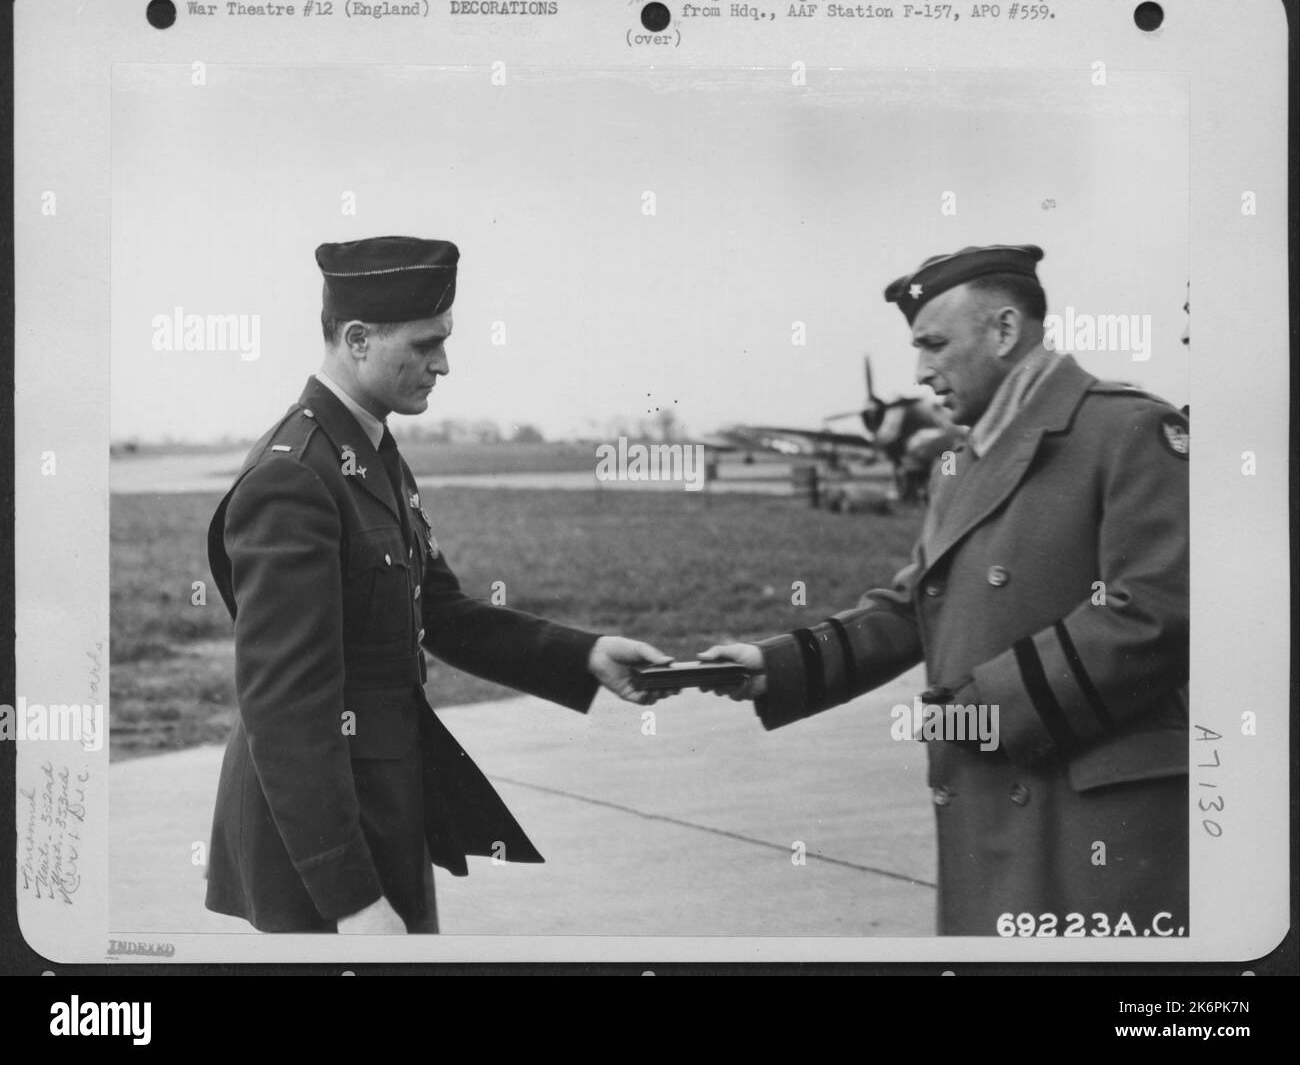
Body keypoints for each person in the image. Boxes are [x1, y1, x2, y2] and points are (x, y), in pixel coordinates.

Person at [701, 245, 1190, 936]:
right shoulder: (960, 461)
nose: (921, 371)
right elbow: (917, 602)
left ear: (1004, 331)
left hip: (1091, 820)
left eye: (934, 344)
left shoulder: (1129, 428)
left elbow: (1158, 614)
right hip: (992, 801)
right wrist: (779, 663)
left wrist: (986, 708)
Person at [204, 235, 668, 934]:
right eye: (425, 344)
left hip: (385, 810)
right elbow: (287, 711)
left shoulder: (371, 452)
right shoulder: (295, 477)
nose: (443, 363)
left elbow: (444, 612)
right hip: (319, 854)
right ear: (358, 339)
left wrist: (586, 654)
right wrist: (353, 901)